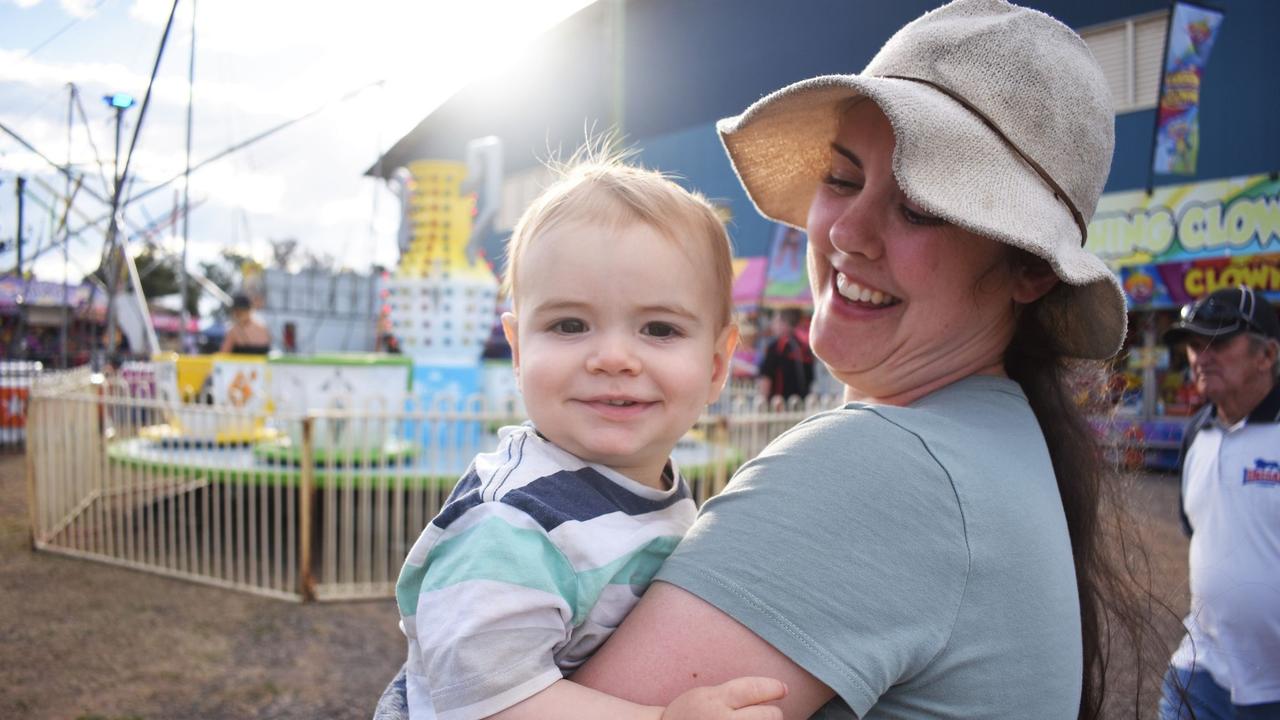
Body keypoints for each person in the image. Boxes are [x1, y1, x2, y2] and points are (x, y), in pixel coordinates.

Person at [571, 1, 1151, 718]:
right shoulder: (1001, 440)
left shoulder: (884, 468)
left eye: (920, 205)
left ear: (1028, 271)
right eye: (842, 179)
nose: (846, 231)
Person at [383, 156, 786, 719]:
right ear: (519, 351)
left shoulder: (652, 489)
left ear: (718, 364)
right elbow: (487, 706)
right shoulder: (512, 520)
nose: (614, 358)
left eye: (659, 329)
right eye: (569, 325)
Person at [1158, 286, 1280, 720]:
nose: (1200, 356)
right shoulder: (1197, 435)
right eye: (1194, 343)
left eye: (1218, 342)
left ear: (1266, 356)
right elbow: (1198, 532)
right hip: (1200, 671)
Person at [757, 308, 814, 403]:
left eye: (775, 321)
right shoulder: (804, 347)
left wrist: (762, 402)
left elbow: (766, 378)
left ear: (784, 324)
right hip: (802, 404)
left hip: (779, 404)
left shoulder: (777, 347)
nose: (773, 325)